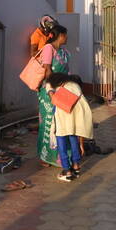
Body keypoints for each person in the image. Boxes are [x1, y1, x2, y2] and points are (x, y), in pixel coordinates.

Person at [45, 72, 95, 182]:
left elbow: (53, 98)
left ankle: (67, 171)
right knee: (73, 139)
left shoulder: (58, 86)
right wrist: (82, 145)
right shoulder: (75, 86)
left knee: (61, 141)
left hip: (63, 117)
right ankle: (76, 166)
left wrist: (49, 90)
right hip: (76, 117)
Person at [34, 24, 70, 167]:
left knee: (61, 123)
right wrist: (50, 90)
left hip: (63, 90)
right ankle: (45, 156)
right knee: (48, 122)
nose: (67, 38)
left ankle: (59, 155)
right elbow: (47, 70)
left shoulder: (64, 51)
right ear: (60, 35)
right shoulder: (48, 49)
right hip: (49, 91)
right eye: (65, 35)